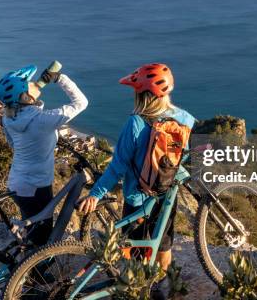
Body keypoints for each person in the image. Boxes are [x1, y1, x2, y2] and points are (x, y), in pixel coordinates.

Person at [79, 63, 195, 299]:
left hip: (138, 200)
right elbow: (183, 155)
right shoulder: (184, 119)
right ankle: (159, 288)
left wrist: (95, 194)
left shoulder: (136, 123)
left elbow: (117, 167)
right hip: (166, 199)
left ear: (139, 93)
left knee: (134, 257)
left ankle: (137, 291)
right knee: (163, 247)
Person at [0, 64, 88, 246]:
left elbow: (14, 144)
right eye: (29, 84)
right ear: (24, 96)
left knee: (33, 232)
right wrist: (60, 78)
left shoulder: (8, 118)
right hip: (36, 186)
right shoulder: (43, 120)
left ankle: (23, 267)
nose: (34, 84)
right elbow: (81, 103)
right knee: (43, 240)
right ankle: (35, 272)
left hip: (17, 183)